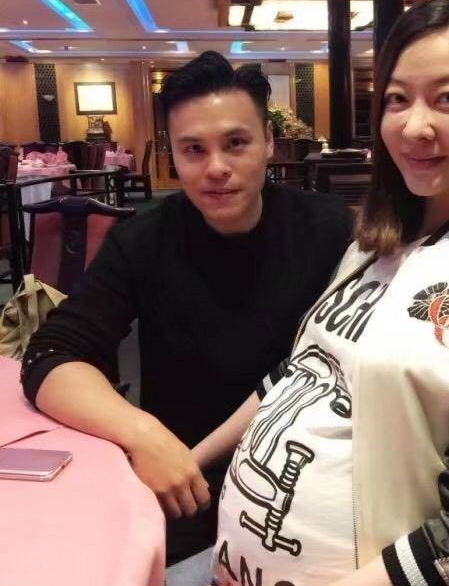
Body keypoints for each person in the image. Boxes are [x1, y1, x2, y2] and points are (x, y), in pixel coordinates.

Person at [170, 0, 449, 586]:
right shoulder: (377, 240)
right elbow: (302, 373)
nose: (414, 126)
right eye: (398, 99)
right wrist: (188, 460)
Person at [20, 52, 353, 564]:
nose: (216, 168)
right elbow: (50, 356)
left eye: (236, 143)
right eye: (194, 149)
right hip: (185, 481)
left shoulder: (330, 228)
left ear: (268, 142)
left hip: (308, 484)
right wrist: (144, 435)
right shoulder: (144, 240)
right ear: (173, 155)